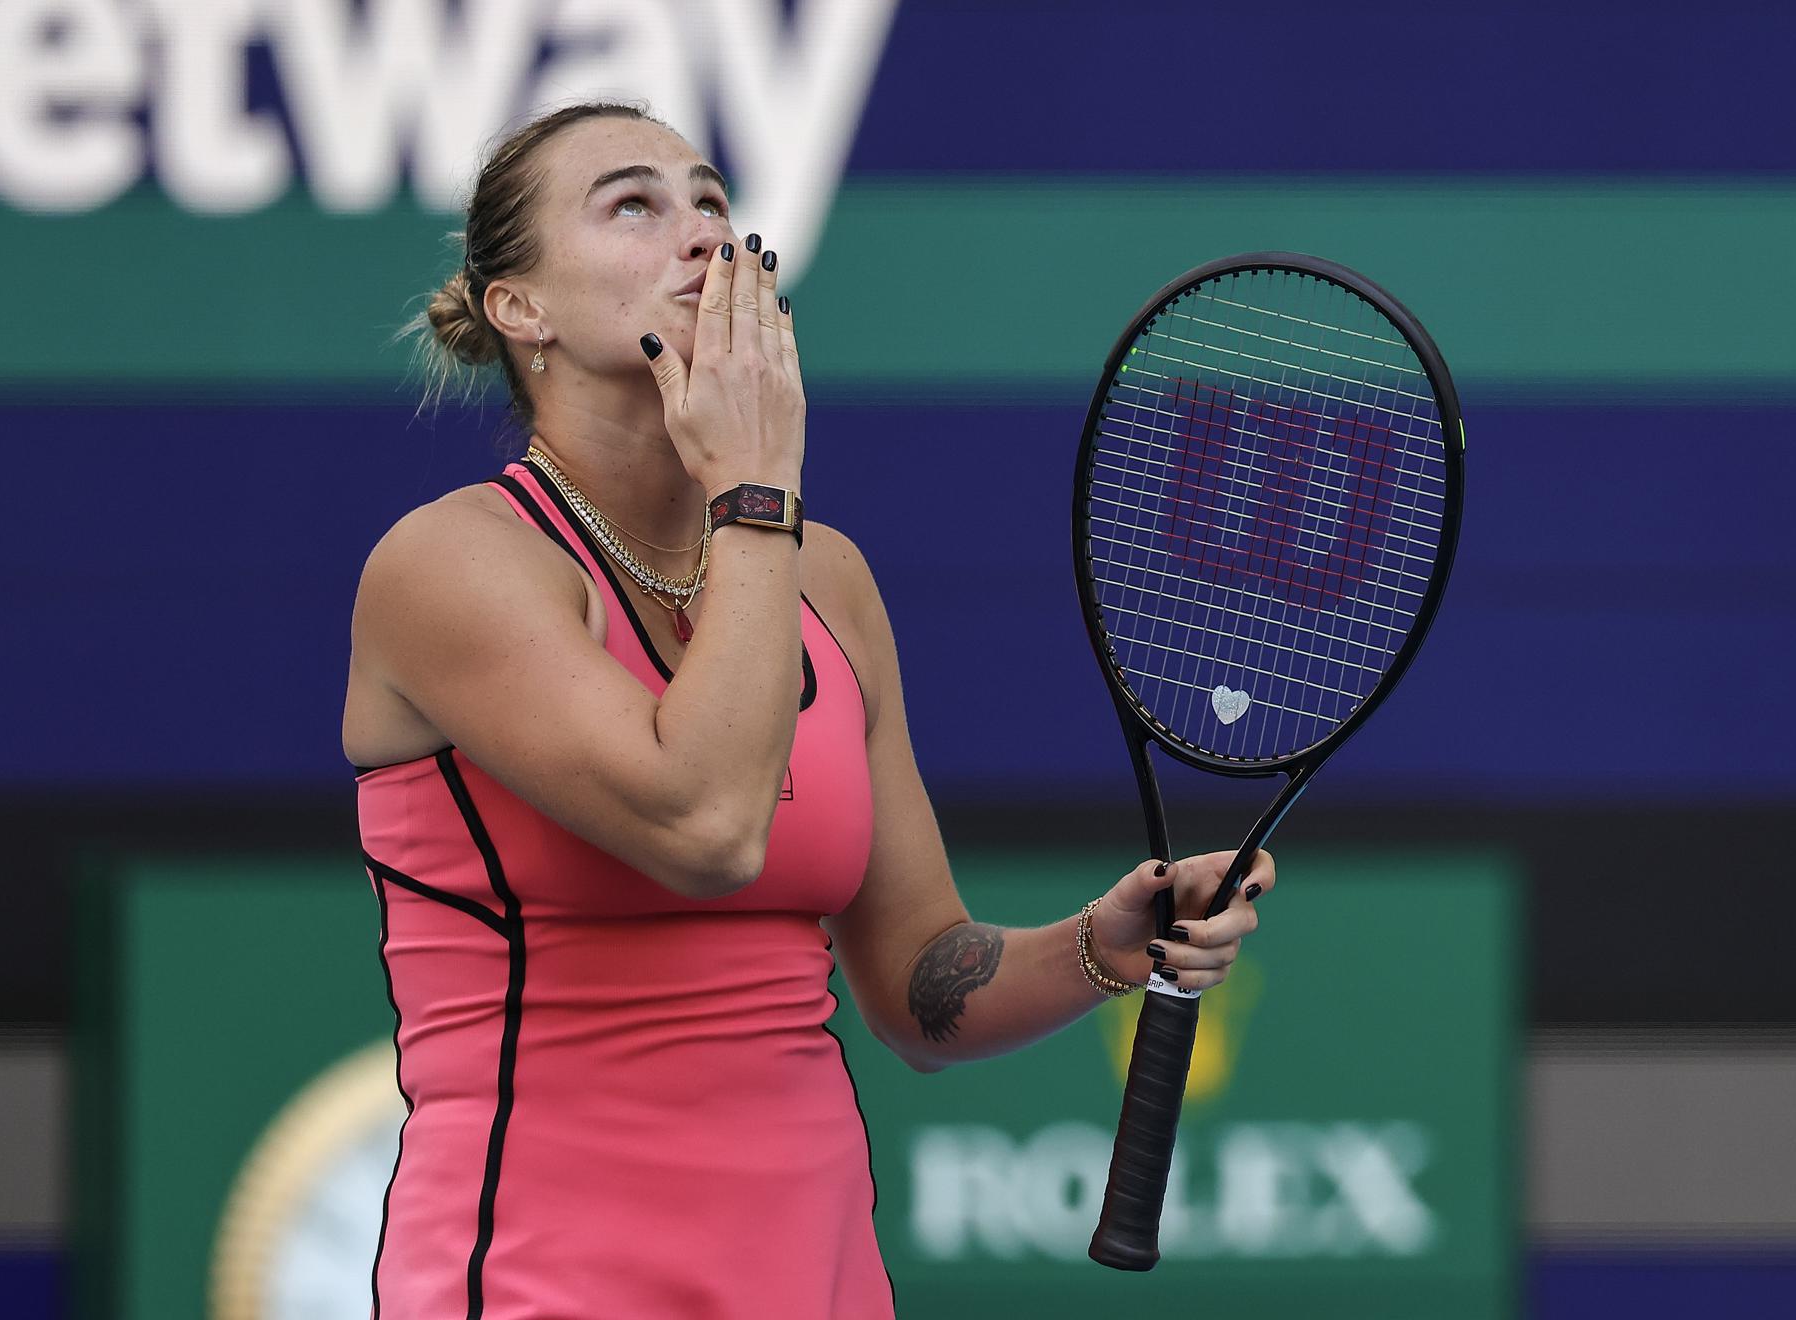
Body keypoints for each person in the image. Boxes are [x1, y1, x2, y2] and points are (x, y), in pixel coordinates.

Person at [341, 100, 1275, 1319]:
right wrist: (756, 487)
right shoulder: (453, 563)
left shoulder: (821, 575)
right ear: (521, 311)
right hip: (541, 1277)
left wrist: (1105, 942)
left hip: (817, 1282)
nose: (703, 237)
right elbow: (710, 828)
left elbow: (923, 988)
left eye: (715, 202)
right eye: (635, 205)